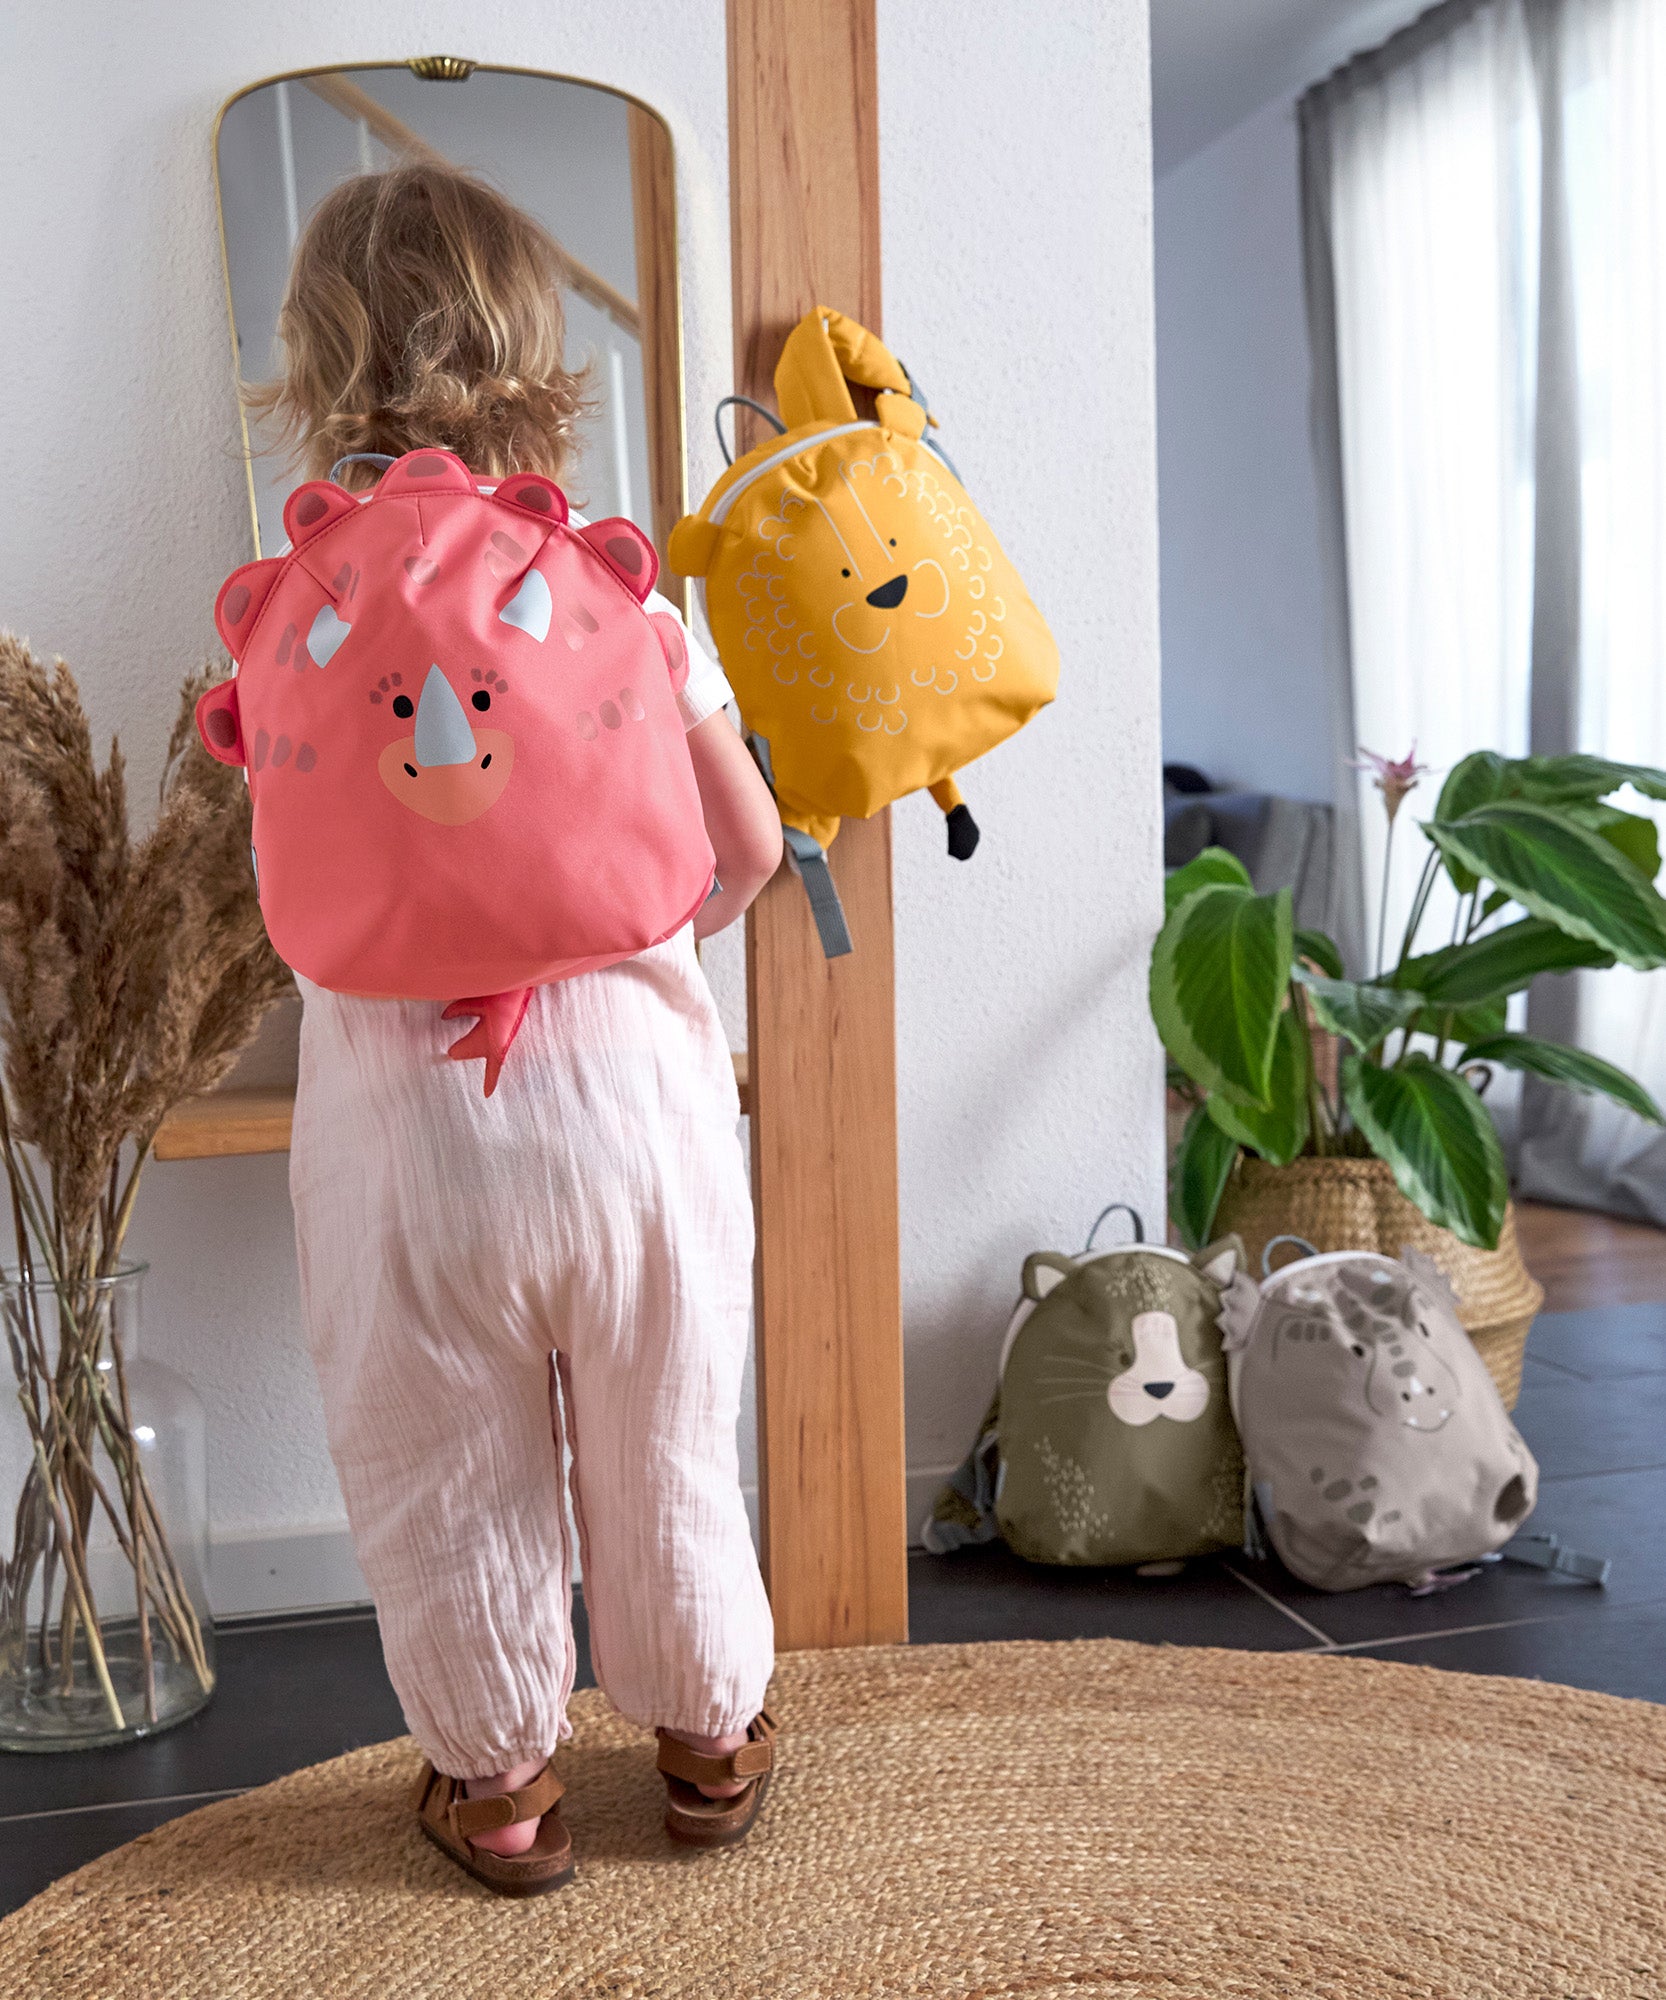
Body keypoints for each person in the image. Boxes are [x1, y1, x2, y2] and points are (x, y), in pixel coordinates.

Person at [248, 161, 781, 1896]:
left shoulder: (295, 614)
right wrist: (622, 944)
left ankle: (499, 1789)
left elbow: (305, 882)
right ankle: (707, 1747)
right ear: (538, 344)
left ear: (314, 354)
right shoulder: (618, 592)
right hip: (632, 1113)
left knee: (441, 1459)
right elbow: (747, 851)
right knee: (665, 1428)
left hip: (403, 1143)